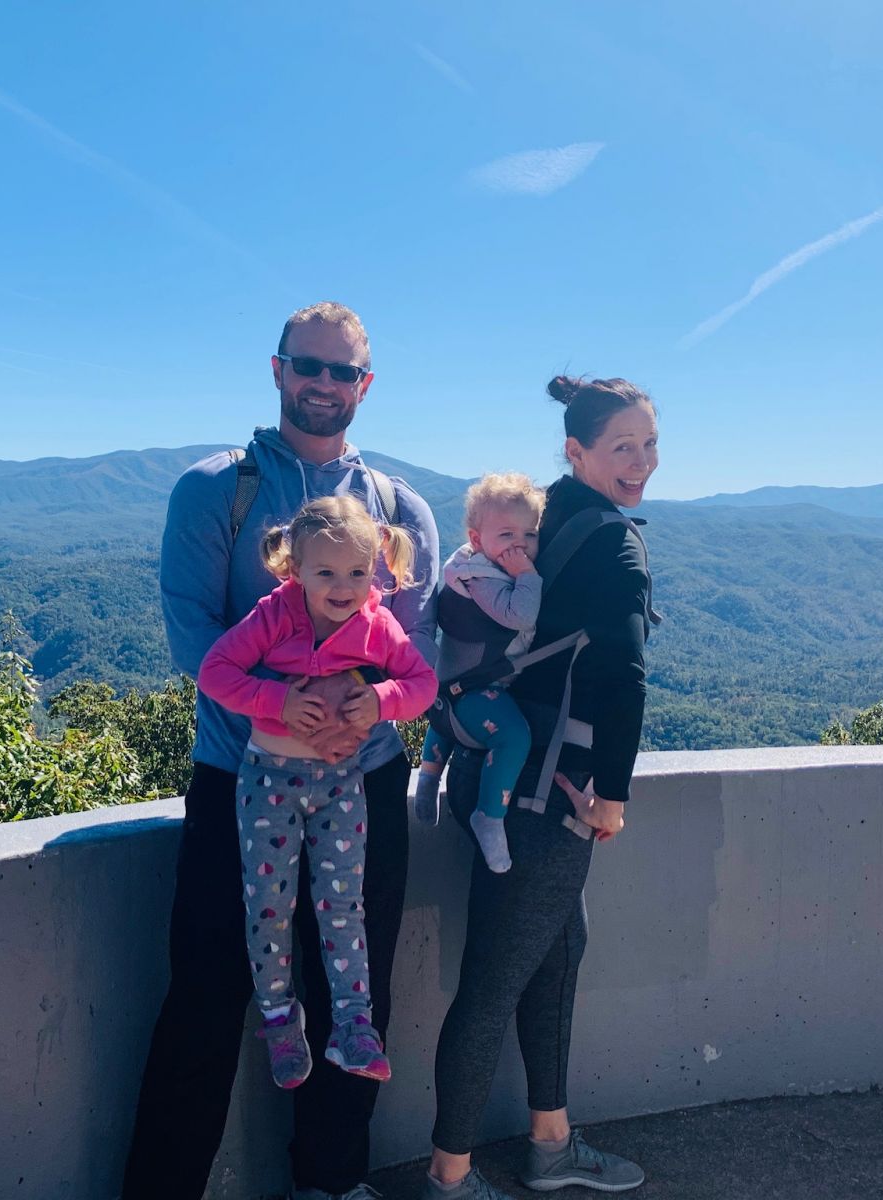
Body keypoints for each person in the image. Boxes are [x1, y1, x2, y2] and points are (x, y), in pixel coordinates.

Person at [123, 302, 439, 1200]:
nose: (325, 384)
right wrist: (284, 704)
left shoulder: (400, 508)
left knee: (354, 991)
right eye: (310, 365)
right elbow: (194, 637)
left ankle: (331, 1186)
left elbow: (421, 653)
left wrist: (367, 704)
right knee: (208, 996)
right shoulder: (214, 488)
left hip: (365, 782)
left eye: (344, 372)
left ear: (366, 385)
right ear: (276, 369)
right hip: (239, 779)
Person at [422, 376, 659, 1199]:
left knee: (559, 952)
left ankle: (551, 1144)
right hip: (548, 794)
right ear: (578, 450)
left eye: (649, 443)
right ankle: (449, 1177)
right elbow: (625, 676)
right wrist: (614, 799)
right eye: (622, 445)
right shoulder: (615, 542)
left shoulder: (540, 514)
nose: (641, 462)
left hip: (492, 768)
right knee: (494, 981)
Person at [197, 495, 437, 1089]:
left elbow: (422, 684)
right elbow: (215, 672)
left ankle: (355, 1028)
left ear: (376, 569)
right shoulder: (274, 615)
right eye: (325, 572)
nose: (343, 586)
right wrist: (277, 701)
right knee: (270, 906)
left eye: (357, 572)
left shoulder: (377, 623)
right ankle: (281, 1019)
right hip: (268, 780)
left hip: (341, 785)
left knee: (342, 907)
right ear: (293, 568)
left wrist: (380, 703)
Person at [413, 473, 545, 873]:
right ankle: (490, 816)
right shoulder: (484, 579)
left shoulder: (465, 568)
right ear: (476, 539)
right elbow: (520, 615)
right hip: (472, 695)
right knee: (515, 737)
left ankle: (427, 781)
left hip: (445, 694)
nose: (520, 545)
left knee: (443, 720)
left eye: (530, 533)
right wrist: (528, 577)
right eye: (506, 535)